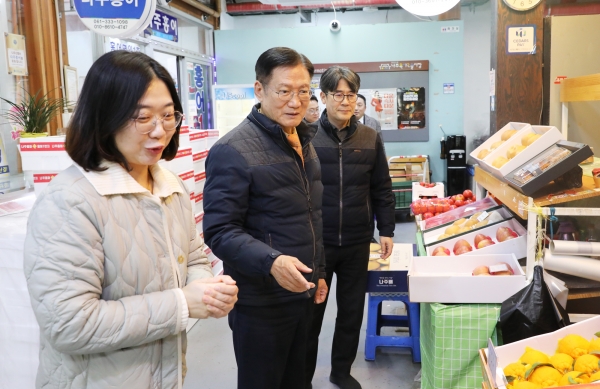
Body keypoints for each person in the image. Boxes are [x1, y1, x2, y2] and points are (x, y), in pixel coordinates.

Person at [23, 51, 238, 389]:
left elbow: (194, 255)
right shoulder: (70, 200)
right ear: (105, 117)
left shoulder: (169, 185)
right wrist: (182, 303)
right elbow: (69, 323)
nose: (160, 131)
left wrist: (206, 290)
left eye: (169, 116)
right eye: (142, 118)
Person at [203, 47, 327, 389]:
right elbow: (219, 231)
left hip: (304, 292)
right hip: (262, 303)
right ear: (259, 90)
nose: (296, 101)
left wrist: (319, 272)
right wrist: (271, 262)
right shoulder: (232, 150)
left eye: (303, 91)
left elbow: (311, 215)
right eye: (283, 91)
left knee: (300, 379)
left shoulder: (303, 139)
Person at [307, 66, 396, 389]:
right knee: (311, 314)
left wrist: (386, 230)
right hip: (318, 243)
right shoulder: (306, 136)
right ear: (325, 97)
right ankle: (302, 375)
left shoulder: (370, 137)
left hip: (358, 240)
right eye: (338, 94)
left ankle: (341, 371)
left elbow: (382, 187)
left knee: (351, 312)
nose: (345, 101)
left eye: (351, 95)